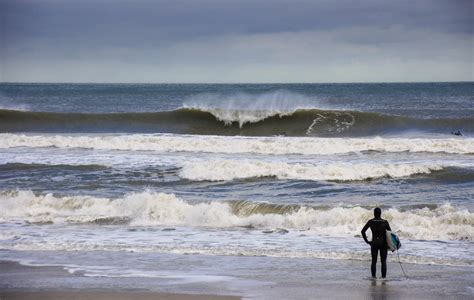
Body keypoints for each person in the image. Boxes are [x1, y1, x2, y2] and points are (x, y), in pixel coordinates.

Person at [361, 207, 391, 278]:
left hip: (374, 243)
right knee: (383, 262)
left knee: (374, 261)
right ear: (380, 214)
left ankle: (373, 277)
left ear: (374, 214)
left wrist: (367, 241)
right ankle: (383, 278)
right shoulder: (385, 222)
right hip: (383, 243)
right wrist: (390, 244)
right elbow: (390, 234)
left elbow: (363, 231)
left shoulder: (371, 222)